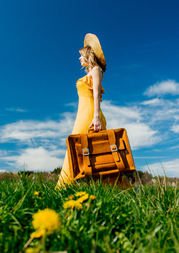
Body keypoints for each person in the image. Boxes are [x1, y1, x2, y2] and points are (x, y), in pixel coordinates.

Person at [56, 33, 107, 187]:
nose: (79, 59)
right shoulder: (89, 73)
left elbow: (97, 93)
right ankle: (72, 185)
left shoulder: (96, 71)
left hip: (91, 114)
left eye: (81, 56)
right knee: (77, 148)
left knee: (95, 151)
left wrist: (96, 117)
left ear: (88, 55)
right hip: (83, 114)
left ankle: (65, 186)